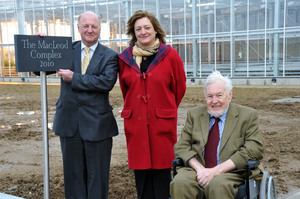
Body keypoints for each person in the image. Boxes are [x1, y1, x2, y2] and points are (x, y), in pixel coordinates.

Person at [36, 11, 119, 199]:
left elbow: (105, 83)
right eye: (86, 26)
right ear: (78, 28)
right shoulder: (65, 50)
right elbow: (39, 67)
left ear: (99, 29)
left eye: (94, 26)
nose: (90, 30)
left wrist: (75, 78)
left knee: (97, 177)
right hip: (69, 123)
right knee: (73, 178)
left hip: (98, 125)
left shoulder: (110, 56)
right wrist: (40, 45)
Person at [118, 10, 186, 199]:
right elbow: (126, 91)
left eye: (147, 27)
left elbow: (179, 88)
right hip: (136, 125)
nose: (143, 32)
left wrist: (164, 108)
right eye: (138, 28)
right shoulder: (125, 58)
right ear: (134, 32)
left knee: (163, 175)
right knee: (142, 178)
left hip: (161, 125)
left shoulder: (170, 55)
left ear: (156, 30)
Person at [170, 71, 264, 199]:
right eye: (210, 96)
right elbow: (182, 146)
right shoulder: (194, 115)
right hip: (198, 170)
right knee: (180, 182)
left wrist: (215, 171)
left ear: (229, 95)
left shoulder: (247, 116)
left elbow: (254, 148)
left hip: (231, 172)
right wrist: (200, 169)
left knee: (217, 185)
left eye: (219, 95)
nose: (214, 101)